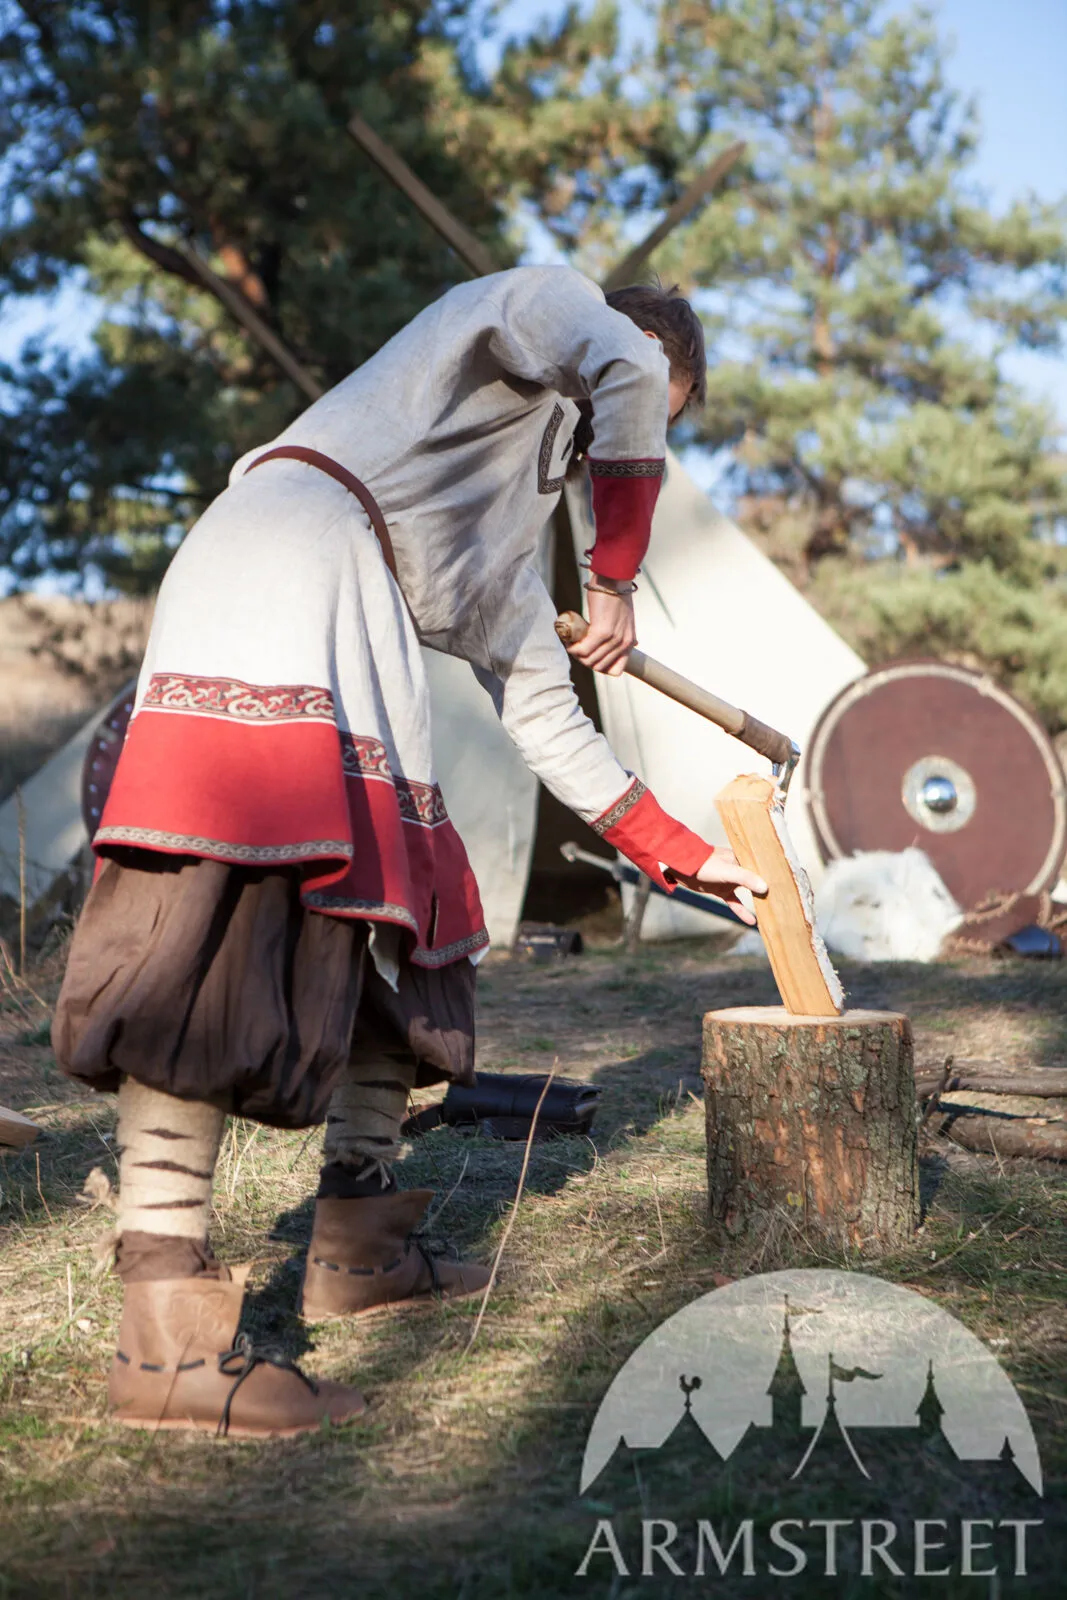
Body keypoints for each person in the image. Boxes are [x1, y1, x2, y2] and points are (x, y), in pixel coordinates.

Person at [53, 267, 766, 1437]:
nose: (617, 451)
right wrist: (620, 574)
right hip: (280, 556)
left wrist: (689, 859)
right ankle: (165, 1336)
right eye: (640, 426)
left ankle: (360, 1239)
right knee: (215, 925)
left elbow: (552, 726)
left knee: (418, 927)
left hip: (357, 614)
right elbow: (627, 370)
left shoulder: (501, 535)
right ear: (636, 346)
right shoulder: (541, 305)